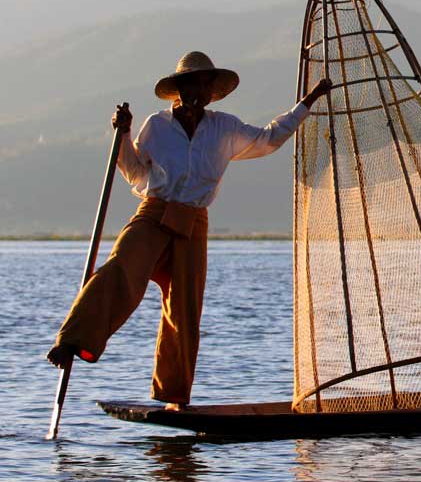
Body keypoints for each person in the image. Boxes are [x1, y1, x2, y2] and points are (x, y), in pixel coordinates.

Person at [46, 51, 331, 409]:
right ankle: (73, 341)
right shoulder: (157, 126)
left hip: (193, 222)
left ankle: (174, 395)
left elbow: (269, 138)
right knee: (121, 269)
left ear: (213, 91)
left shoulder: (223, 128)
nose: (201, 90)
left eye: (206, 84)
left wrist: (309, 102)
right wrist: (123, 133)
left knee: (184, 309)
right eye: (195, 83)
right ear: (179, 89)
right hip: (154, 213)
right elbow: (135, 171)